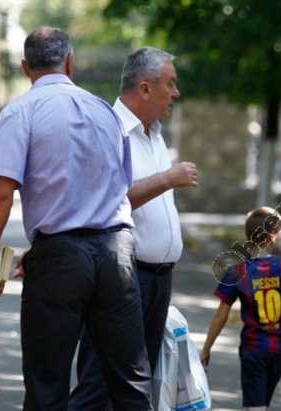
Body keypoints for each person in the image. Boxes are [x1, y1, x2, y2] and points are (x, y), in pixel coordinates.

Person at [0, 27, 152, 410]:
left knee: (47, 383)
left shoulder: (19, 112)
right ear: (70, 62)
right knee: (130, 382)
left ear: (25, 67)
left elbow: (1, 193)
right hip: (117, 255)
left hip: (59, 260)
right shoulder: (104, 112)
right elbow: (118, 187)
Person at [69, 47, 198, 410]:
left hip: (158, 279)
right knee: (99, 384)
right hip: (122, 277)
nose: (176, 93)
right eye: (170, 84)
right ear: (145, 87)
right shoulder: (109, 130)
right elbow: (106, 199)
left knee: (138, 387)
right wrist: (167, 179)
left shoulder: (155, 133)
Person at [201, 207, 281, 411]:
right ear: (273, 237)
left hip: (254, 348)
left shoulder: (238, 272)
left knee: (255, 404)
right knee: (261, 402)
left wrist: (206, 348)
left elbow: (221, 316)